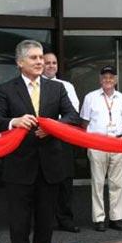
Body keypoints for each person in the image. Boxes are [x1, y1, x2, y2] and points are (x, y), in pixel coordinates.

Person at [0, 40, 80, 243]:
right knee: (19, 227)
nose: (40, 62)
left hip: (49, 169)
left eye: (41, 57)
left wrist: (51, 127)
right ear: (20, 62)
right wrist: (15, 121)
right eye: (34, 58)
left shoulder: (57, 87)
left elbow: (72, 117)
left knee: (45, 226)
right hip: (19, 169)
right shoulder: (7, 89)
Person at [80, 65, 122, 232]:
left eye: (111, 77)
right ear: (100, 79)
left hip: (117, 142)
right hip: (97, 143)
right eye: (104, 76)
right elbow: (84, 122)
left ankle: (116, 218)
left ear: (116, 79)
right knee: (98, 182)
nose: (108, 79)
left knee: (117, 183)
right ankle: (99, 218)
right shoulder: (90, 97)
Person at [42, 52, 80, 233]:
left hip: (63, 137)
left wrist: (54, 124)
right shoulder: (36, 86)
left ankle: (65, 219)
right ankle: (45, 221)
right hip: (41, 137)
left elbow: (72, 113)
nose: (50, 66)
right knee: (44, 181)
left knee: (65, 181)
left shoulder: (67, 86)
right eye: (47, 62)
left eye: (54, 63)